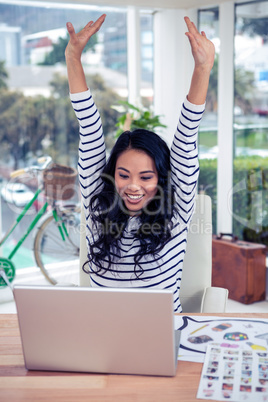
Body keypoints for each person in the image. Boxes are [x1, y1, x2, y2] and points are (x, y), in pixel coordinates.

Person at [65, 14, 215, 312]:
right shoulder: (98, 203)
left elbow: (187, 135)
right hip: (101, 338)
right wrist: (73, 57)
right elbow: (90, 127)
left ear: (161, 179)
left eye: (146, 177)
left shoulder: (178, 207)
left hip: (163, 337)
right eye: (123, 175)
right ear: (111, 176)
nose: (133, 186)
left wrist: (203, 68)